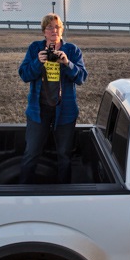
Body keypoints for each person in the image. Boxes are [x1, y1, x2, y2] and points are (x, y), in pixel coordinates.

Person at [18, 13, 87, 184]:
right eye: (49, 27)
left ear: (62, 30)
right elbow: (25, 75)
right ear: (44, 32)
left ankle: (64, 193)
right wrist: (37, 62)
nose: (53, 30)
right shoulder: (35, 48)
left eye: (57, 27)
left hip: (65, 111)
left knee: (64, 155)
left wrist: (67, 63)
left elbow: (81, 78)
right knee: (31, 153)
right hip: (38, 110)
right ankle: (22, 190)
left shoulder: (72, 50)